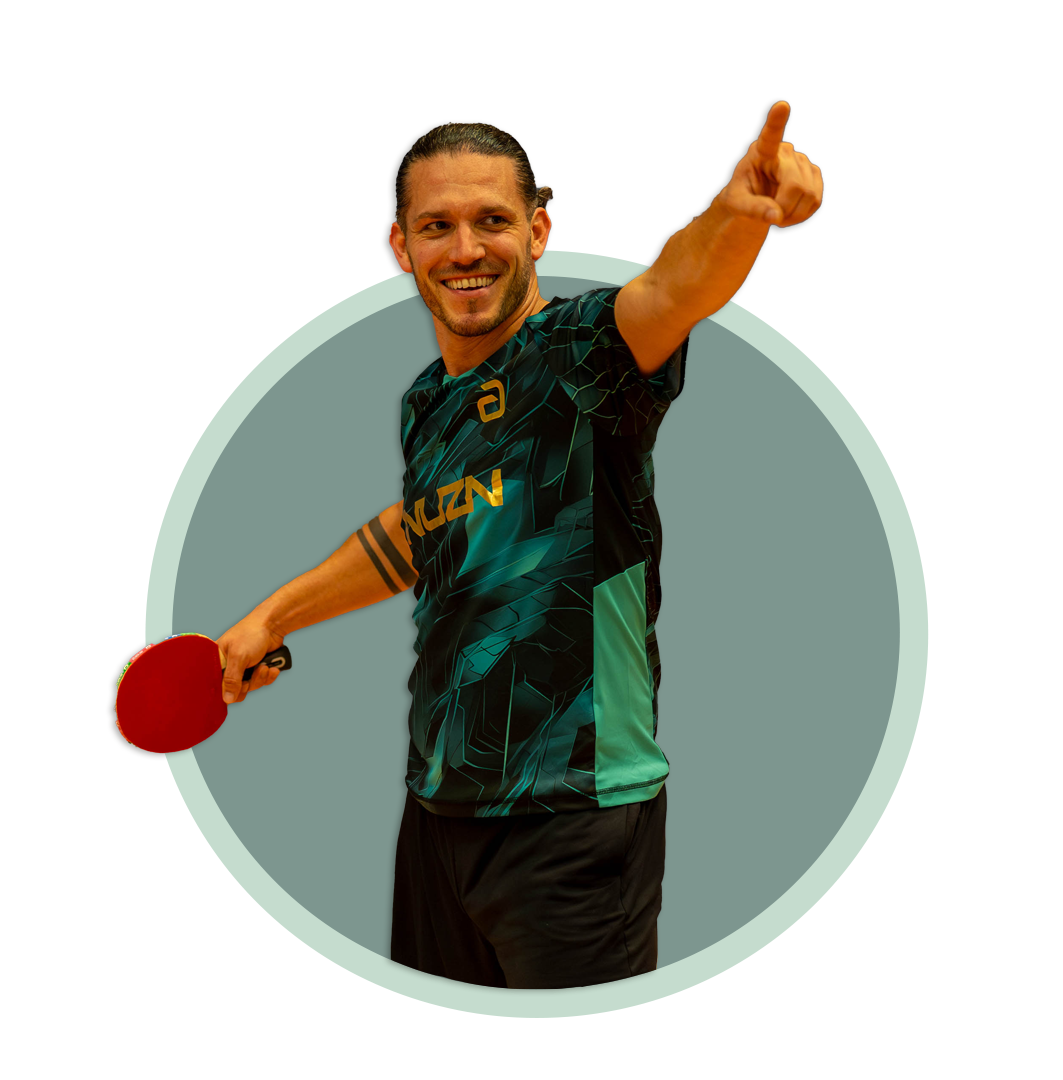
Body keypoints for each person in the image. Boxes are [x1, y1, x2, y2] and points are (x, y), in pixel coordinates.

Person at [216, 101, 824, 989]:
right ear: (399, 246)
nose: (465, 248)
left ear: (538, 229)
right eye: (437, 226)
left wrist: (737, 215)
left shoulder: (581, 354)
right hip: (437, 815)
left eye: (492, 220)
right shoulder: (429, 404)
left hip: (574, 820)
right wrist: (273, 616)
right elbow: (421, 530)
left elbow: (673, 290)